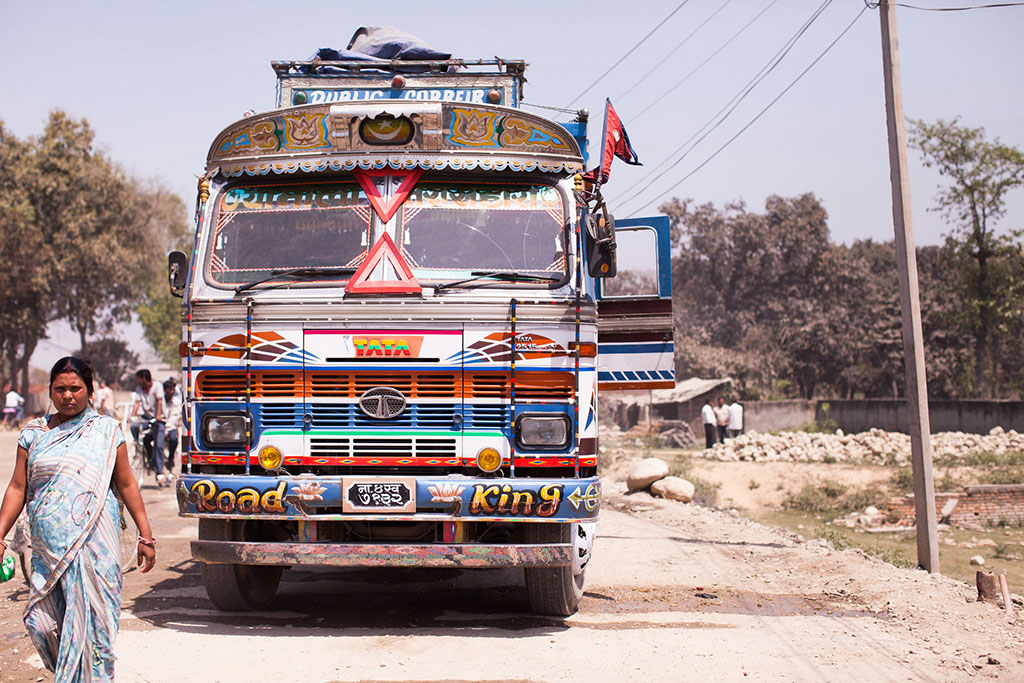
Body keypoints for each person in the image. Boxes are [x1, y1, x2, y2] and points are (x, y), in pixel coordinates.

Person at [0, 356, 156, 681]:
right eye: (60, 389)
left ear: (89, 391)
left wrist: (146, 534)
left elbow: (126, 483)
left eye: (75, 388)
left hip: (96, 549)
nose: (68, 396)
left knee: (94, 630)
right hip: (48, 552)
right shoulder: (33, 434)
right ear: (50, 392)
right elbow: (17, 487)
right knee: (40, 624)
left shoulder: (107, 432)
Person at [129, 369, 167, 487]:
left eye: (138, 378)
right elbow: (137, 403)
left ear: (144, 378)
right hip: (146, 418)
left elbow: (159, 401)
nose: (137, 381)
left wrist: (158, 415)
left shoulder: (157, 386)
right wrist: (132, 415)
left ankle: (159, 472)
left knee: (159, 445)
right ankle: (139, 446)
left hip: (159, 419)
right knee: (134, 427)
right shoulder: (139, 389)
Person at [162, 378, 182, 478]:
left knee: (174, 439)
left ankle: (170, 459)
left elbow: (174, 417)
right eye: (170, 389)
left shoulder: (176, 402)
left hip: (170, 426)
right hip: (160, 424)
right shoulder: (160, 400)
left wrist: (167, 429)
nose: (172, 391)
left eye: (173, 389)